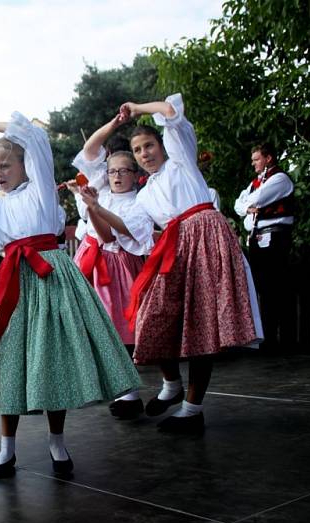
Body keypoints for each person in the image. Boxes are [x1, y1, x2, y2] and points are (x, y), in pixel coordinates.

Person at [0, 112, 140, 479]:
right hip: (14, 282)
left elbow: (38, 140)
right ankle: (7, 447)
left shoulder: (40, 188)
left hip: (52, 276)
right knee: (9, 360)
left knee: (54, 359)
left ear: (24, 164)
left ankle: (57, 440)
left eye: (5, 164)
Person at [80, 94, 262, 434]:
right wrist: (95, 207)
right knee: (151, 314)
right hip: (176, 247)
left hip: (206, 238)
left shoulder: (181, 163)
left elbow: (170, 111)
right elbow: (126, 230)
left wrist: (136, 109)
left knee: (203, 327)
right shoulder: (145, 195)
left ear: (161, 146)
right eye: (137, 150)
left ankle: (192, 410)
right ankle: (171, 384)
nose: (144, 154)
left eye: (148, 145)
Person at [70, 112, 154, 420]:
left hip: (119, 265)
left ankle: (130, 392)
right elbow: (91, 149)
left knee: (121, 328)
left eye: (124, 171)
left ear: (135, 175)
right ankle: (112, 387)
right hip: (91, 261)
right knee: (97, 328)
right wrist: (115, 124)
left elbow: (107, 235)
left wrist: (94, 208)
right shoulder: (101, 189)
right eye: (112, 171)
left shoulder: (138, 203)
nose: (117, 176)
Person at [234, 143, 295, 353]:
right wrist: (247, 208)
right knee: (264, 289)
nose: (253, 163)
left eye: (257, 159)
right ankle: (269, 339)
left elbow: (255, 199)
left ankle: (285, 340)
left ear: (268, 158)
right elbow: (238, 205)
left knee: (277, 288)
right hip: (257, 240)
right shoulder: (255, 183)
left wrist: (249, 205)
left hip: (276, 238)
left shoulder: (280, 179)